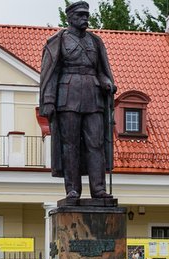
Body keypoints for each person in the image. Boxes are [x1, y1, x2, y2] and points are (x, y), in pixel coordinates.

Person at [39, 0, 116, 200]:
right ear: (70, 18)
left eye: (86, 16)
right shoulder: (58, 41)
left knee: (96, 143)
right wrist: (48, 100)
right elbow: (51, 73)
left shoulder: (95, 42)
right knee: (70, 145)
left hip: (93, 96)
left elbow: (102, 71)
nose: (85, 19)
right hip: (67, 97)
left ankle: (98, 189)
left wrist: (107, 82)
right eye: (80, 15)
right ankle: (72, 189)